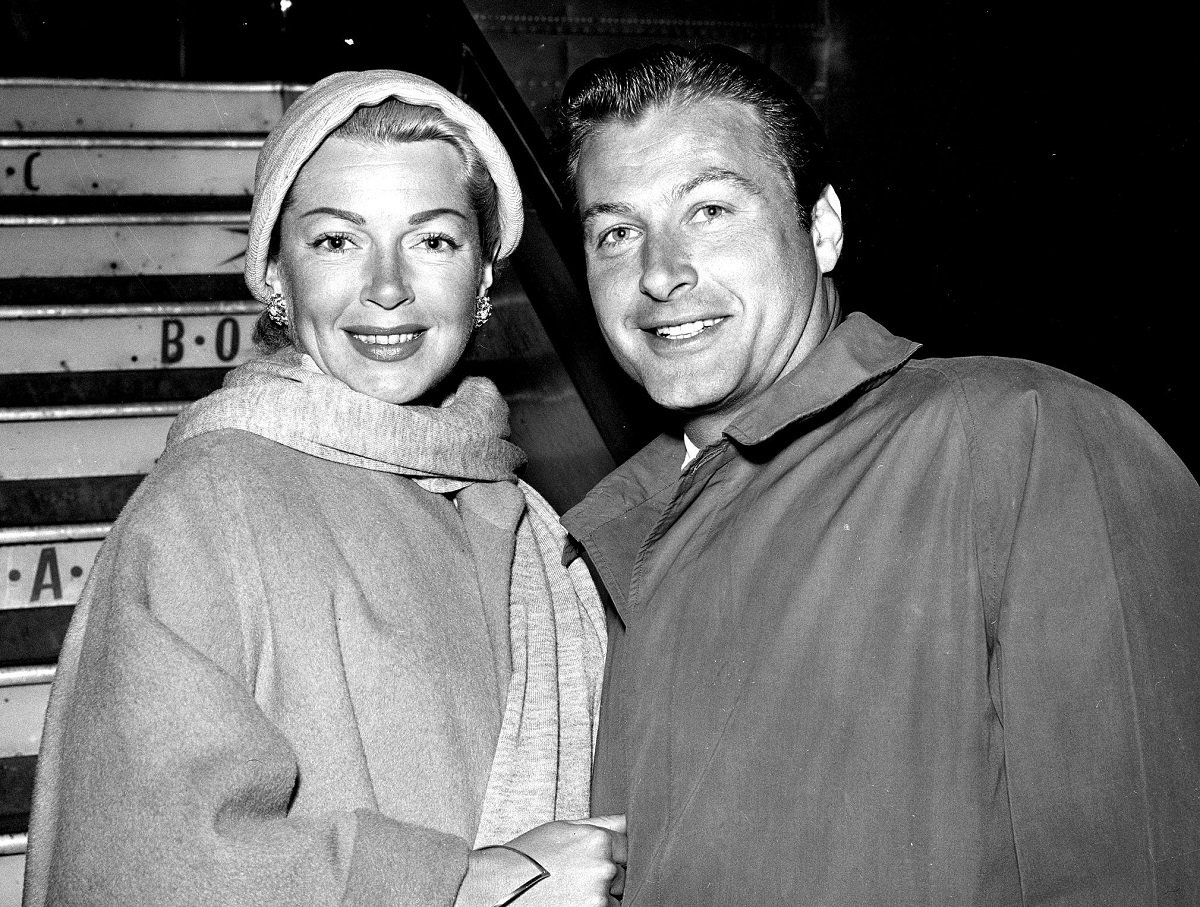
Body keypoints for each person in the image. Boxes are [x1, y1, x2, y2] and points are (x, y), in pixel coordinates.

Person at [555, 44, 1200, 905]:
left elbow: (1147, 863)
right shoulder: (606, 535)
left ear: (822, 228)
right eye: (617, 232)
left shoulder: (1023, 434)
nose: (660, 272)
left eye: (709, 210)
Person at [22, 70, 626, 907]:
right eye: (337, 241)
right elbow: (133, 859)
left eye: (434, 241)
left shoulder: (528, 517)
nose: (387, 287)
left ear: (485, 278)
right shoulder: (211, 501)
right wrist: (466, 885)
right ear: (275, 271)